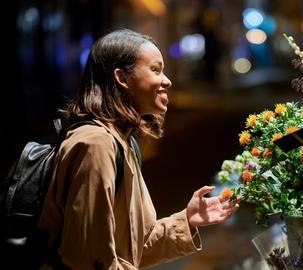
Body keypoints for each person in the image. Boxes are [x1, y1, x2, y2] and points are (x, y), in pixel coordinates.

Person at [37, 28, 239, 269]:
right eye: (155, 70)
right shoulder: (95, 144)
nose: (167, 80)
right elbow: (89, 260)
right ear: (123, 78)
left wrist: (187, 221)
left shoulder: (122, 141)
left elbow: (133, 248)